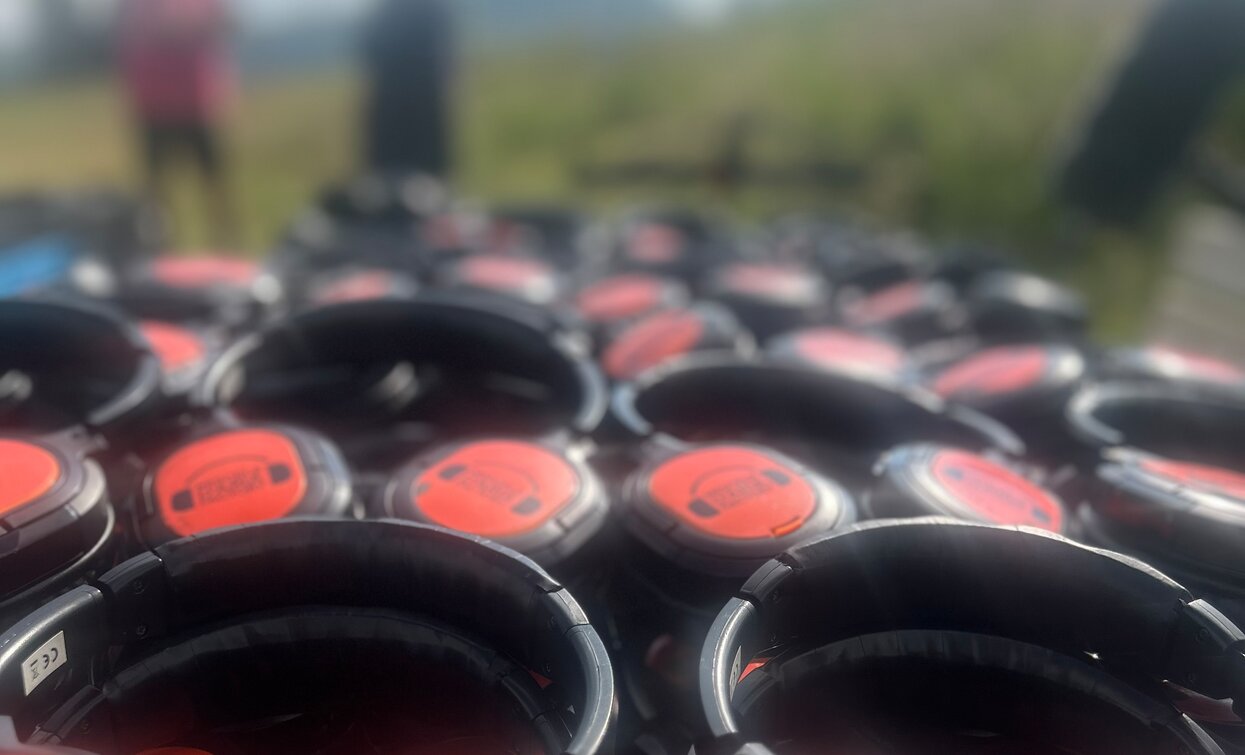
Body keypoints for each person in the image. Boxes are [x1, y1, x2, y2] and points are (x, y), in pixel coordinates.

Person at [118, 0, 239, 245]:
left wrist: (187, 26)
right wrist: (187, 27)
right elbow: (143, 28)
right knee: (156, 189)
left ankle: (228, 245)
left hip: (197, 100)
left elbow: (226, 23)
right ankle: (161, 246)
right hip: (154, 101)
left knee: (215, 181)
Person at [362, 0, 456, 179]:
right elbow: (446, 57)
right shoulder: (431, 9)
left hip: (392, 110)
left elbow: (370, 52)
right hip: (422, 107)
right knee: (429, 180)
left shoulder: (384, 12)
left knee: (389, 180)